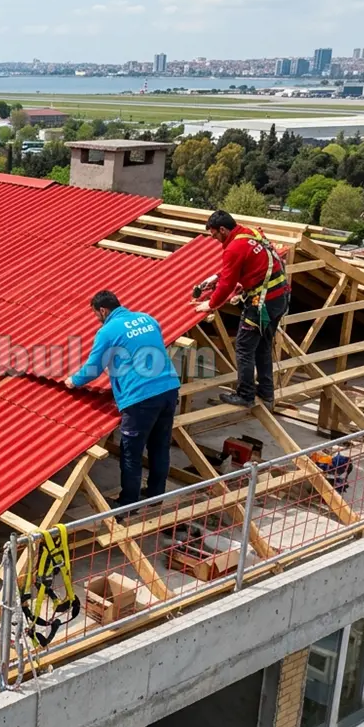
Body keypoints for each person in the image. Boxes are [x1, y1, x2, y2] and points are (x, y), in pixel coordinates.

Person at [65, 291, 181, 510]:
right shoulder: (148, 318)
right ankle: (156, 496)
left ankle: (128, 503)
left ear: (103, 310)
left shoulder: (106, 331)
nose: (96, 319)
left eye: (95, 314)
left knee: (131, 452)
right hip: (168, 389)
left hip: (140, 399)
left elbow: (93, 368)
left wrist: (74, 380)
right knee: (159, 447)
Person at [193, 210, 290, 408]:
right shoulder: (250, 233)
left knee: (244, 348)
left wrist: (210, 305)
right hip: (280, 298)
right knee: (263, 346)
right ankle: (266, 393)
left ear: (223, 229)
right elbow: (248, 265)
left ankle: (245, 395)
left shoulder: (233, 248)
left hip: (262, 303)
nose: (214, 239)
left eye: (215, 235)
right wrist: (217, 277)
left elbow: (228, 284)